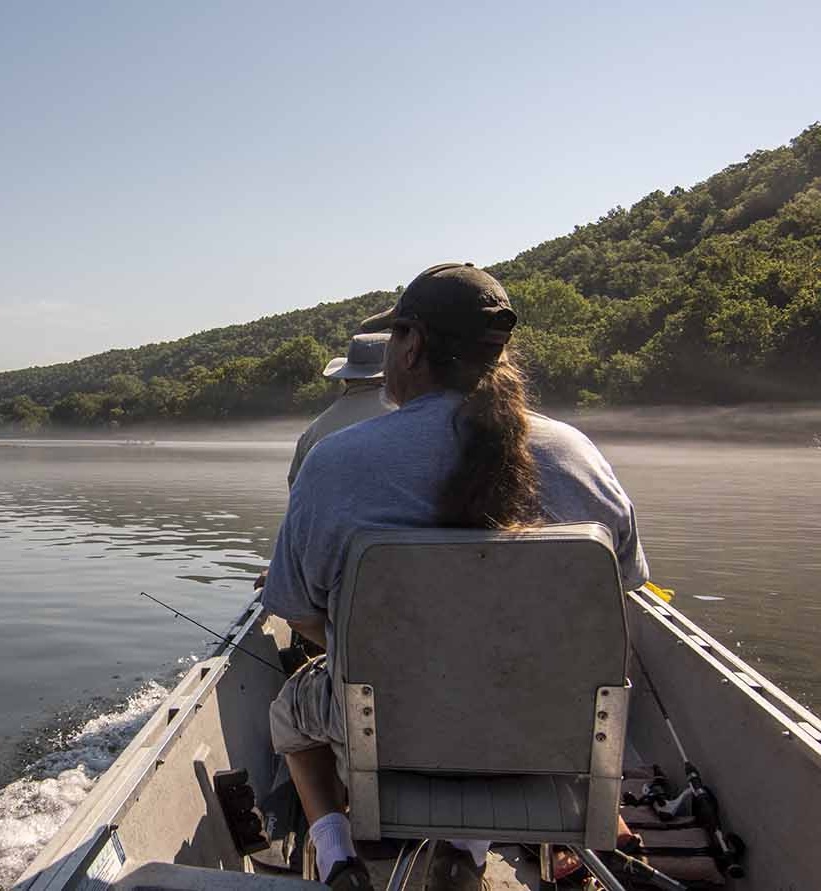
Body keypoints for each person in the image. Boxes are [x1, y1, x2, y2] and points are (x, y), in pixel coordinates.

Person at [262, 263, 649, 891]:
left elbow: (300, 613)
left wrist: (380, 656)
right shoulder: (577, 454)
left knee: (288, 712)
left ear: (411, 345)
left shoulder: (336, 464)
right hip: (546, 726)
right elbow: (620, 591)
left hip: (385, 726)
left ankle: (336, 856)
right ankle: (494, 848)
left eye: (392, 339)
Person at [287, 333, 394, 488]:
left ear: (346, 378)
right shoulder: (408, 421)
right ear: (390, 373)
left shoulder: (312, 432)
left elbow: (295, 488)